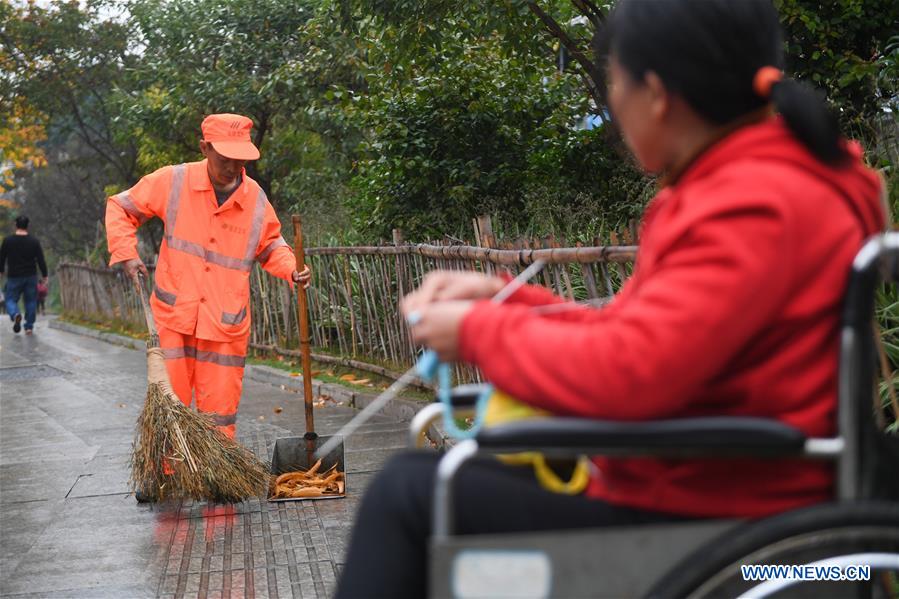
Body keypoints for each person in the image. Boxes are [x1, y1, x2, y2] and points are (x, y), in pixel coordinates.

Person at [335, 1, 886, 596]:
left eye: (614, 83)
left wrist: (476, 332)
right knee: (426, 483)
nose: (614, 105)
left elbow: (633, 370)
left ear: (656, 94)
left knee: (408, 494)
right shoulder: (764, 180)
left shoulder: (751, 202)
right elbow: (639, 333)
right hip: (718, 499)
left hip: (725, 526)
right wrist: (501, 300)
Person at [105, 113, 312, 500]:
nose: (232, 168)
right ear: (204, 149)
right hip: (174, 314)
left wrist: (292, 270)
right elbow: (121, 207)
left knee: (219, 412)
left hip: (225, 320)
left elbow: (272, 246)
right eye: (224, 158)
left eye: (240, 160)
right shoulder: (174, 180)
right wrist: (126, 254)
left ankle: (219, 476)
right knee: (169, 404)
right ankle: (163, 478)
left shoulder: (255, 200)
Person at [0, 216, 49, 335]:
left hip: (14, 276)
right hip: (31, 276)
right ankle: (28, 327)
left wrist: (1, 271)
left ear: (16, 225)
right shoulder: (34, 241)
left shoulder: (8, 240)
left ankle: (15, 314)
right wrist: (45, 275)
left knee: (10, 299)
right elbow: (40, 259)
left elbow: (1, 258)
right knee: (31, 301)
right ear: (27, 226)